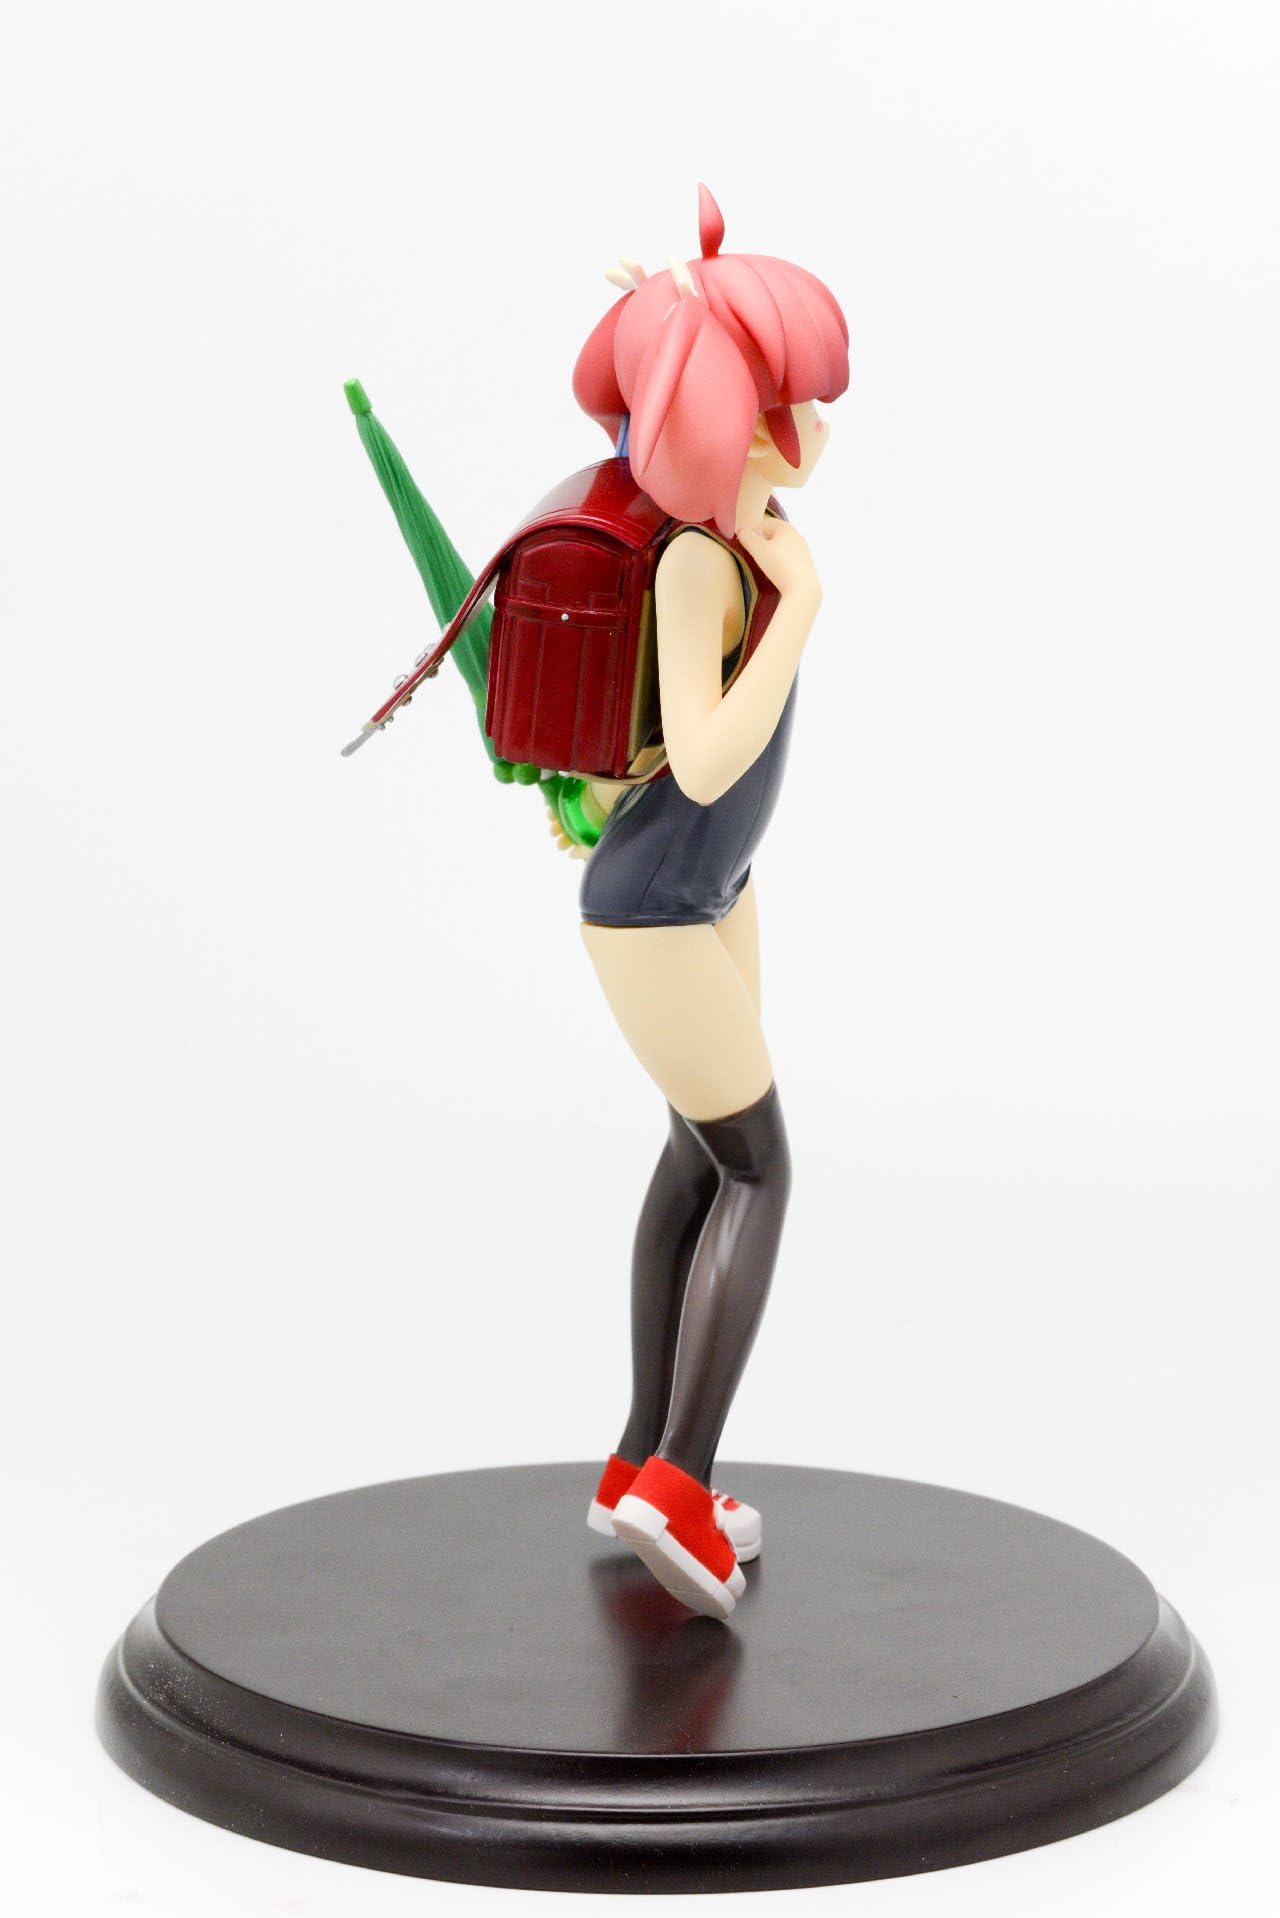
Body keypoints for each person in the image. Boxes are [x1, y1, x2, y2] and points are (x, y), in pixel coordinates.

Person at [571, 187, 849, 1617]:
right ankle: (681, 1490)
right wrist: (798, 614)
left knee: (698, 1155)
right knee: (759, 1169)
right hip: (659, 909)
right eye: (783, 401)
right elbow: (703, 751)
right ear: (731, 423)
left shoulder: (739, 540)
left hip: (709, 889)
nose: (813, 425)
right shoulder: (699, 563)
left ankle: (637, 1460)